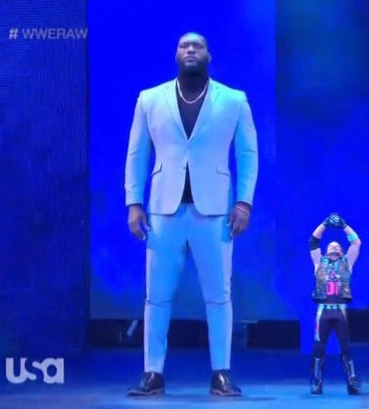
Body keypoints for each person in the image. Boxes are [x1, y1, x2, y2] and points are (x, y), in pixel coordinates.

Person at [124, 32, 258, 397]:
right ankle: (152, 373)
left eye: (197, 46)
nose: (190, 50)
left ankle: (221, 373)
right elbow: (137, 153)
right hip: (162, 211)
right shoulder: (150, 99)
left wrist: (243, 202)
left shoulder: (234, 100)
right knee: (156, 296)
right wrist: (133, 202)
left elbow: (248, 155)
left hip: (215, 211)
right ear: (175, 54)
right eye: (184, 46)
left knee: (218, 295)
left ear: (208, 55)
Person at [307, 213, 362, 395]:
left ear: (341, 251)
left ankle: (352, 381)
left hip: (340, 311)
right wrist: (325, 224)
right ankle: (316, 382)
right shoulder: (319, 263)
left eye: (337, 245)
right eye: (330, 245)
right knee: (318, 347)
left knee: (345, 346)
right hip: (323, 311)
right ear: (326, 250)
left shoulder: (347, 263)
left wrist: (344, 226)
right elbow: (313, 242)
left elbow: (356, 243)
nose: (333, 246)